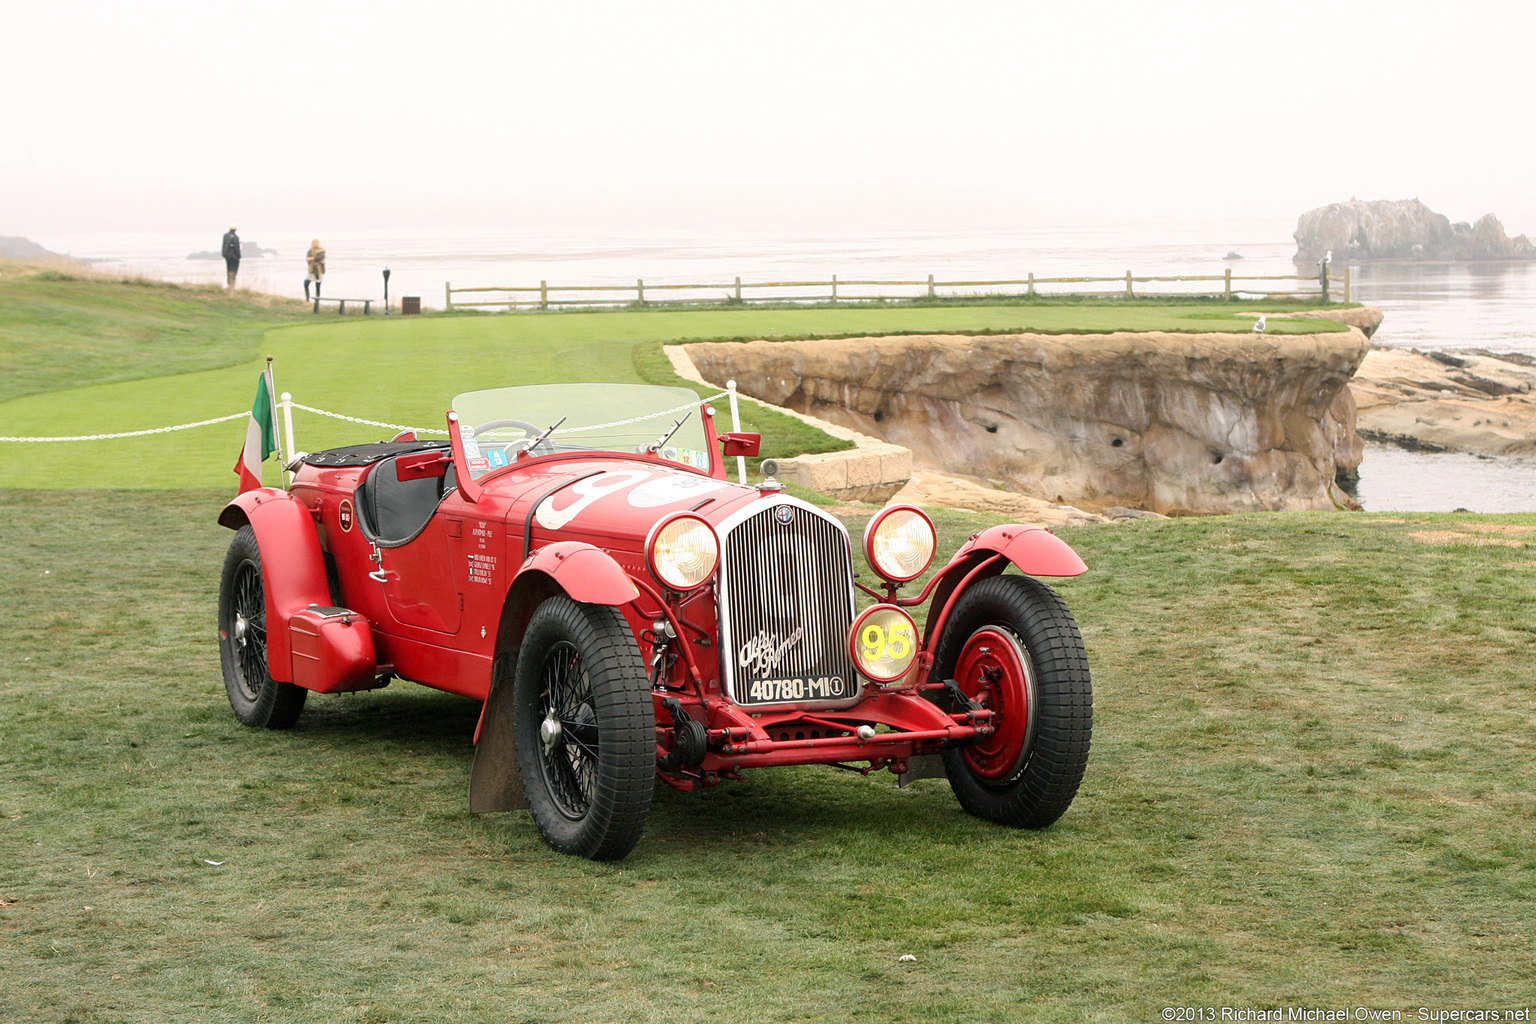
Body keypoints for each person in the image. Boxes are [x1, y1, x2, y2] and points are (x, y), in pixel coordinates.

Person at [222, 224, 241, 289]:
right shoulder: (236, 237)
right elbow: (236, 248)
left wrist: (224, 254)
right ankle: (232, 284)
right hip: (234, 257)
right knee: (234, 270)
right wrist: (239, 256)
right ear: (235, 230)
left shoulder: (225, 236)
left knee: (229, 269)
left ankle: (229, 284)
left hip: (227, 256)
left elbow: (224, 245)